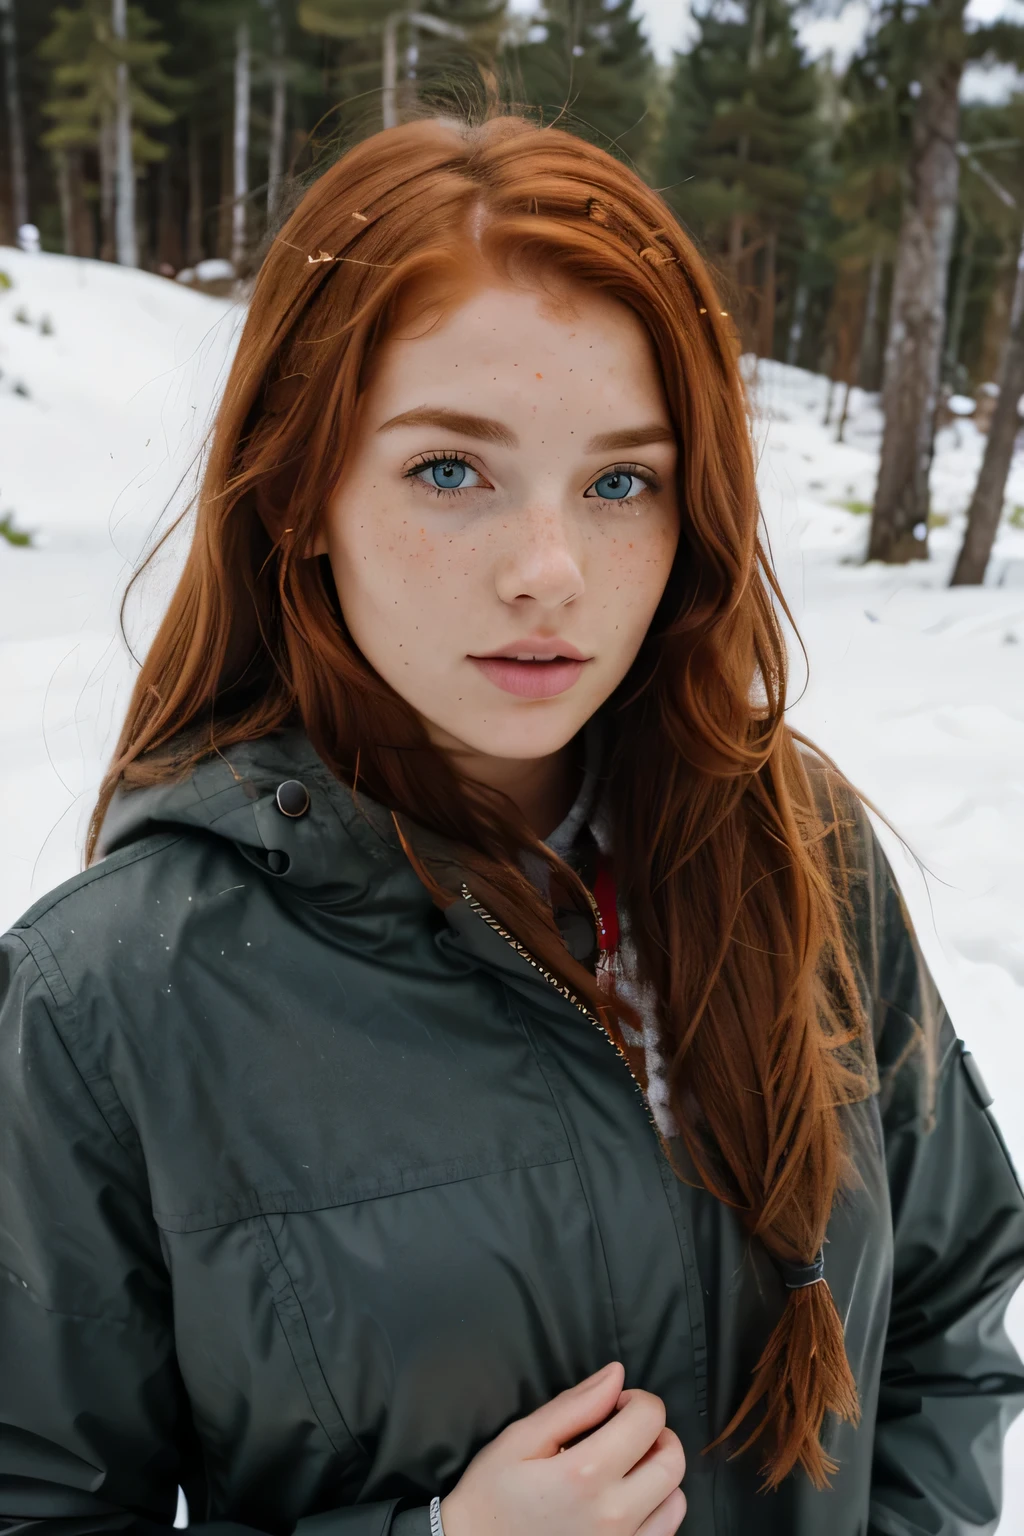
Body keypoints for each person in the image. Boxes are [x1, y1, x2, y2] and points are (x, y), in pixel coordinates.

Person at [1, 113, 1023, 1536]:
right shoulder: (102, 1005)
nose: (548, 571)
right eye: (449, 471)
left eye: (621, 482)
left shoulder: (804, 851)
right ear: (301, 489)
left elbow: (948, 1309)